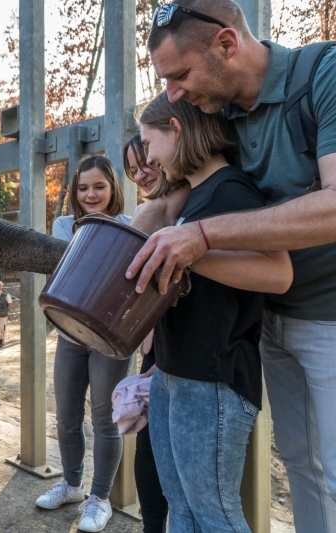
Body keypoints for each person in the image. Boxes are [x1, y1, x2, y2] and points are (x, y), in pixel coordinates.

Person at [127, 2, 336, 531]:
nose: (172, 92)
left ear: (226, 44)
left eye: (179, 75)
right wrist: (156, 208)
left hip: (330, 316)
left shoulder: (323, 73)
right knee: (301, 466)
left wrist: (201, 236)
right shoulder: (218, 111)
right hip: (269, 322)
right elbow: (183, 183)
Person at [138, 90, 292, 532]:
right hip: (173, 371)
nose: (149, 158)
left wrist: (189, 253)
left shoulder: (232, 190)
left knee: (215, 513)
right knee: (180, 506)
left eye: (151, 143)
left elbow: (277, 272)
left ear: (177, 129)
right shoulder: (194, 195)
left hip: (214, 377)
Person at [36, 155, 130, 533]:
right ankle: (72, 485)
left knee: (105, 419)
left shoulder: (129, 224)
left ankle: (100, 499)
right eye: (83, 188)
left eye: (99, 186)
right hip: (71, 334)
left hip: (110, 337)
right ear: (75, 192)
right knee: (66, 415)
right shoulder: (64, 224)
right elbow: (73, 268)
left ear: (113, 189)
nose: (91, 194)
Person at [123, 134, 169, 533]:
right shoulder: (156, 208)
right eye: (133, 169)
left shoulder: (171, 206)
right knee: (148, 449)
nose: (142, 173)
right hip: (156, 349)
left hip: (190, 351)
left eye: (147, 161)